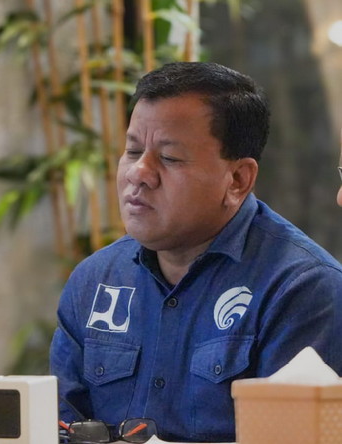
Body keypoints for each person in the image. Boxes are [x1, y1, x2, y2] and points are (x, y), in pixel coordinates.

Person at [49, 62, 342, 443]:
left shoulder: (303, 289)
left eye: (169, 158)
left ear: (237, 180)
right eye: (133, 150)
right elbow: (58, 428)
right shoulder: (95, 280)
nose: (139, 173)